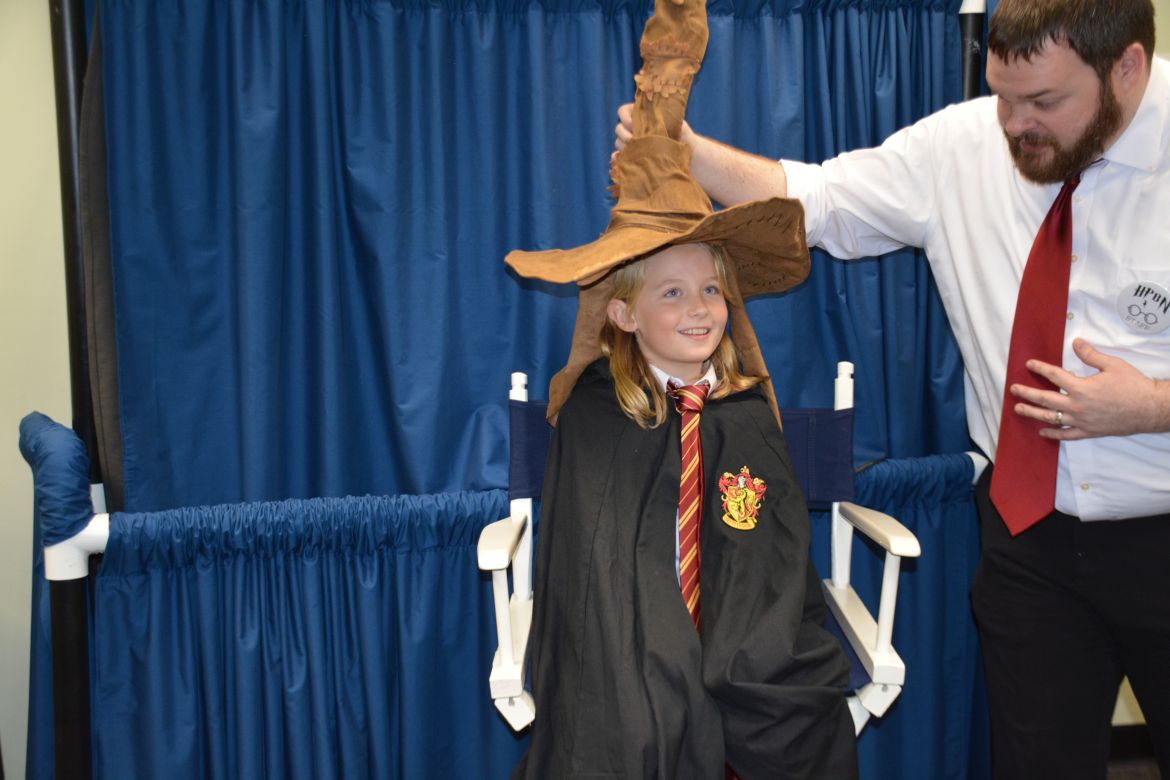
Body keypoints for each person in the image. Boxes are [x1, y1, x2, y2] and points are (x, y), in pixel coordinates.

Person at [613, 0, 1170, 777]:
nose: (1015, 126)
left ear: (1128, 68)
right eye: (1003, 97)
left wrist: (1152, 406)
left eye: (1044, 101)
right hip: (1028, 543)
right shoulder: (965, 144)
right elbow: (818, 199)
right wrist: (689, 152)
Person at [511, 241, 857, 778]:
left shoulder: (748, 413)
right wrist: (666, 645)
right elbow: (589, 565)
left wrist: (737, 643)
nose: (699, 307)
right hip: (630, 629)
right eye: (673, 292)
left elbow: (777, 556)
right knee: (635, 715)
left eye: (711, 289)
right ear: (625, 314)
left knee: (795, 705)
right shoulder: (594, 414)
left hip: (744, 629)